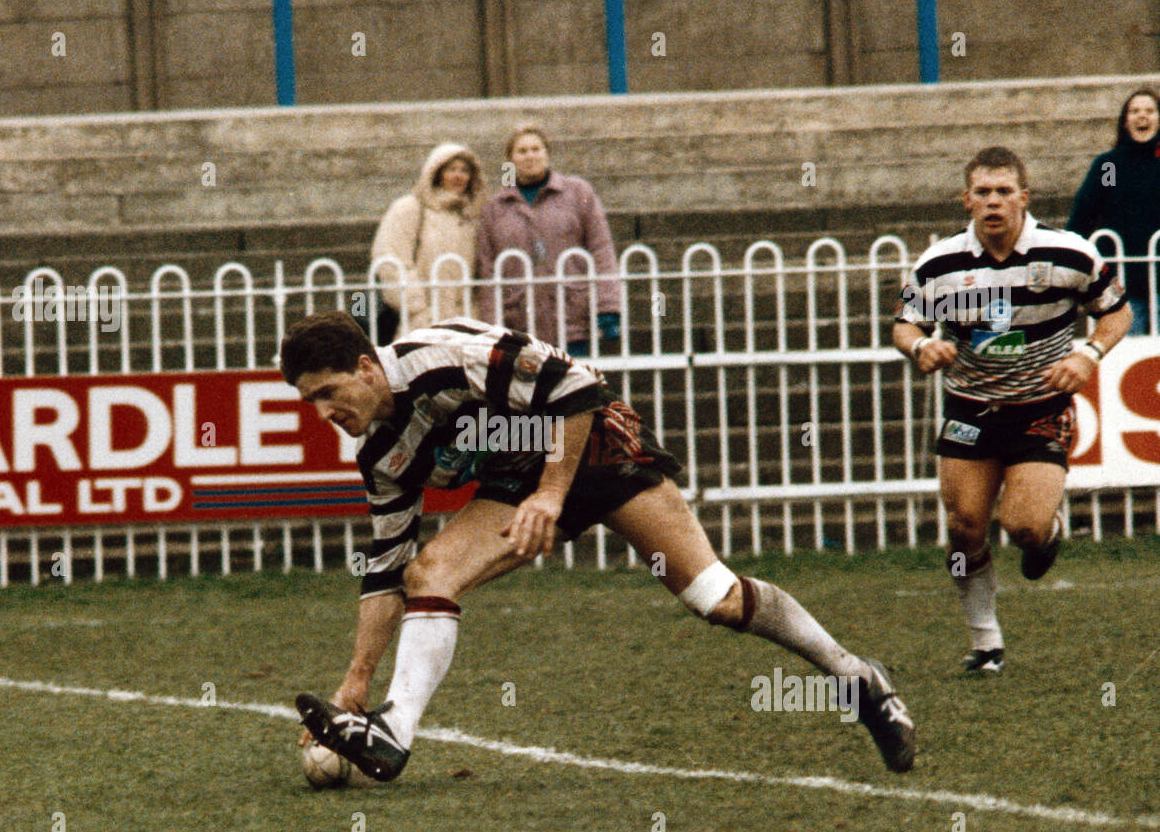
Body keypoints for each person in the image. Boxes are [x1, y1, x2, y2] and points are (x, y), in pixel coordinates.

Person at [282, 311, 917, 781]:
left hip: (592, 442)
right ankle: (392, 729)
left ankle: (857, 678)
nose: (322, 413)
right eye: (310, 402)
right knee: (428, 574)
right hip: (521, 478)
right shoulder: (381, 455)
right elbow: (385, 572)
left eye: (328, 393)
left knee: (716, 599)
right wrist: (354, 682)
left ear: (366, 368)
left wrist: (552, 498)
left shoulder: (442, 356)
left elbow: (576, 386)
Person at [892, 147, 1132, 677]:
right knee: (964, 527)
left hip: (1039, 409)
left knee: (1021, 526)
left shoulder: (1070, 254)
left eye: (1004, 192)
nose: (993, 202)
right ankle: (986, 644)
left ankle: (1046, 532)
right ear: (966, 200)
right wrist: (920, 348)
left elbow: (1117, 313)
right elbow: (904, 324)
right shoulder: (937, 265)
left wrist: (1087, 354)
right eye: (982, 193)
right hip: (970, 409)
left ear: (1024, 198)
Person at [477, 122, 622, 356]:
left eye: (536, 149)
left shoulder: (578, 193)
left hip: (573, 317)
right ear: (510, 159)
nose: (530, 156)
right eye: (522, 151)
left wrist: (608, 306)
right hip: (519, 324)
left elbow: (601, 248)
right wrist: (492, 326)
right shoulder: (495, 207)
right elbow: (487, 270)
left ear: (547, 153)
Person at [1067, 87, 1160, 335]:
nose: (1142, 116)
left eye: (1150, 111)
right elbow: (1085, 214)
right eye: (1135, 111)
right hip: (1123, 282)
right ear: (1125, 120)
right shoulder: (1110, 167)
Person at [371, 142, 486, 337]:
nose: (458, 176)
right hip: (421, 325)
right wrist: (418, 309)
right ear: (437, 172)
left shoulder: (473, 218)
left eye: (464, 170)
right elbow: (391, 260)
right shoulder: (410, 208)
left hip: (467, 324)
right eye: (451, 169)